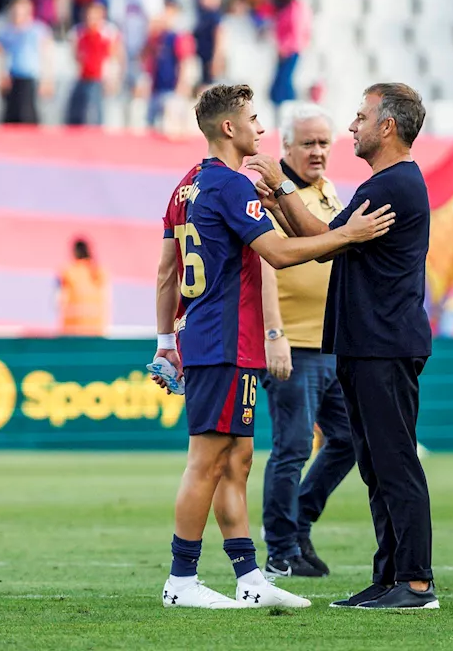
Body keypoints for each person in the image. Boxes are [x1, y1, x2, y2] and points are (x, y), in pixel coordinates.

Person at [152, 83, 395, 610]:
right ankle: (181, 580)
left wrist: (166, 342)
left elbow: (167, 271)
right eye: (255, 120)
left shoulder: (186, 186)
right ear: (229, 128)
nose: (261, 130)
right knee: (206, 461)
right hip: (223, 340)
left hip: (216, 340)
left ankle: (248, 577)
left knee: (237, 460)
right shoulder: (230, 186)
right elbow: (280, 255)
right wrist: (348, 235)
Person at [259, 83, 437, 610]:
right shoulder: (382, 183)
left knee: (396, 462)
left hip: (384, 345)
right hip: (365, 346)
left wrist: (280, 184)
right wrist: (281, 200)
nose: (352, 127)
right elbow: (325, 242)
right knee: (375, 465)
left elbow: (319, 235)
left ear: (388, 126)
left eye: (361, 117)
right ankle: (387, 577)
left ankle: (417, 582)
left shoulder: (394, 184)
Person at [258, 103, 354, 578]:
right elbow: (264, 264)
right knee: (293, 447)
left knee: (349, 439)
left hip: (333, 341)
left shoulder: (328, 192)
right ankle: (279, 548)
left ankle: (298, 523)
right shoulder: (274, 194)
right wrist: (273, 333)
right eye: (308, 143)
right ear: (286, 148)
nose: (317, 152)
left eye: (323, 143)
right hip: (293, 342)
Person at [57, 237, 110, 335]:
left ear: (74, 252)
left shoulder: (68, 272)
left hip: (73, 330)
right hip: (96, 329)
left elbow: (59, 300)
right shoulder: (99, 272)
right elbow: (107, 299)